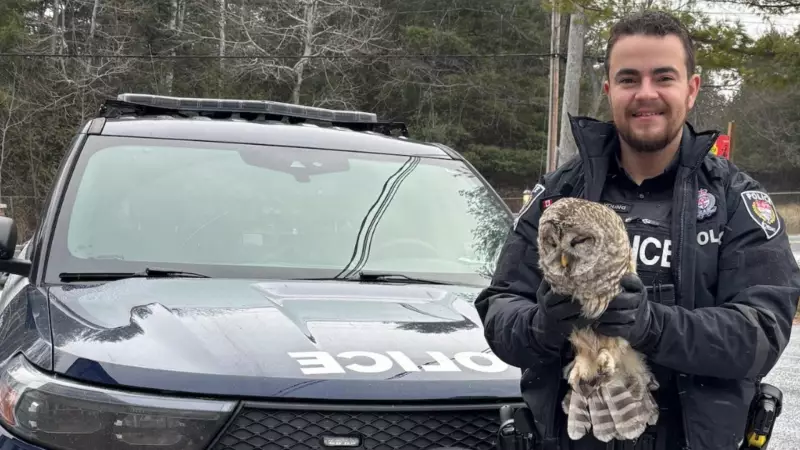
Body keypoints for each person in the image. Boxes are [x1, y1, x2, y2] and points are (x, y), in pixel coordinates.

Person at [475, 10, 800, 450]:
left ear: (691, 89)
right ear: (609, 89)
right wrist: (543, 324)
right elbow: (499, 310)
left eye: (663, 77)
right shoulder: (559, 194)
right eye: (629, 79)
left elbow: (761, 332)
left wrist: (654, 326)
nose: (645, 94)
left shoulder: (733, 200)